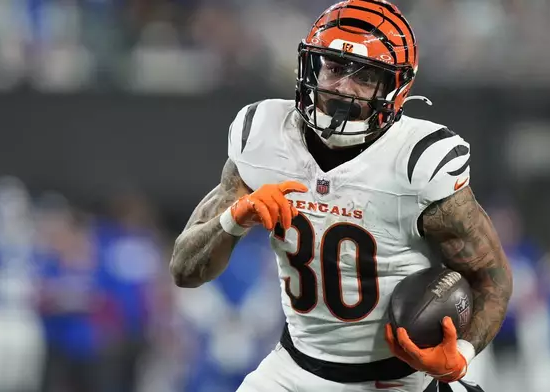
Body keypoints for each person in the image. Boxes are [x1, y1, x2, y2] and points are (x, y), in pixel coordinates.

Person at [170, 1, 513, 391]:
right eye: (333, 68)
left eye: (364, 77)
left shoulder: (418, 162)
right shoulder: (263, 136)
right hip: (293, 369)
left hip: (398, 380)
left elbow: (491, 279)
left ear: (395, 87)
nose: (341, 88)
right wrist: (234, 219)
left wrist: (461, 354)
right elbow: (184, 269)